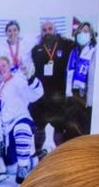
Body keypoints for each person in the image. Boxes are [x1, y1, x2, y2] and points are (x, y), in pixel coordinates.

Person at [0, 56, 44, 183]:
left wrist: (29, 77)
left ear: (9, 66)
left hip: (20, 119)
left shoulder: (18, 79)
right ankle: (34, 160)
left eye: (3, 66)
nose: (1, 69)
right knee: (10, 168)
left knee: (21, 129)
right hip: (5, 129)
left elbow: (36, 94)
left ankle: (23, 168)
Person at [29, 19, 75, 153]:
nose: (47, 32)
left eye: (50, 29)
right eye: (44, 30)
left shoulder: (66, 45)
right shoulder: (35, 49)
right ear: (41, 32)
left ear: (55, 30)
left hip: (58, 95)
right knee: (39, 128)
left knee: (59, 128)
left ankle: (59, 155)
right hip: (40, 97)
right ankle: (37, 153)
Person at [65, 21, 96, 110]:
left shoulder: (94, 51)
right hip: (73, 94)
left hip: (86, 95)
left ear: (91, 35)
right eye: (80, 32)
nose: (82, 34)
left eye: (85, 32)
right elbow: (69, 73)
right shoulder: (73, 52)